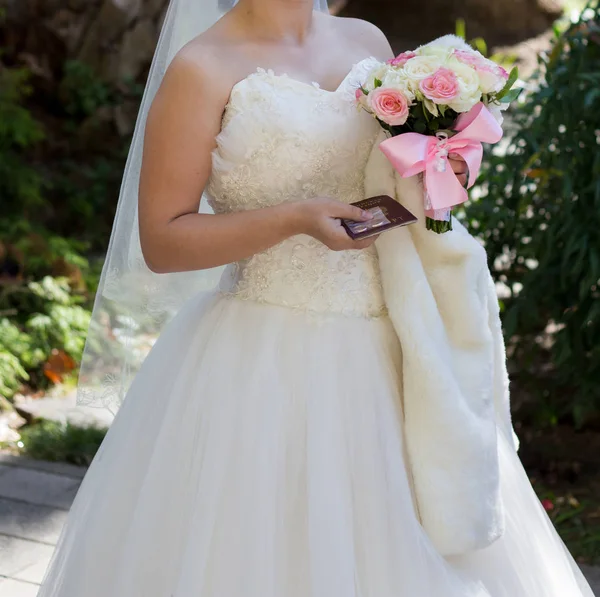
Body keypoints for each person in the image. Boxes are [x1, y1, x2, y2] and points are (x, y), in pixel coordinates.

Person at [38, 1, 594, 595]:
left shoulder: (368, 40)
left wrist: (440, 170)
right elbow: (164, 240)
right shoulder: (202, 68)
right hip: (262, 361)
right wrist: (295, 219)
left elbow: (394, 182)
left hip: (395, 346)